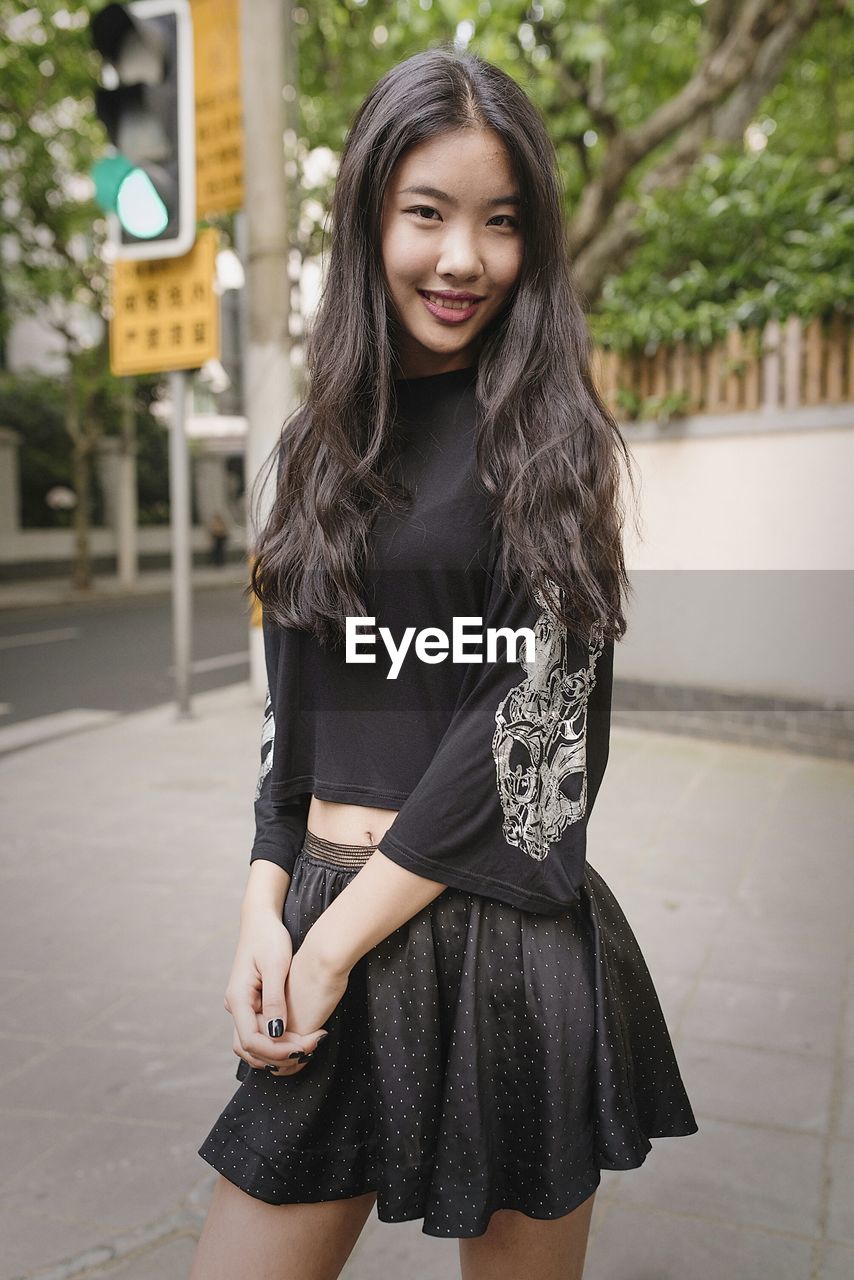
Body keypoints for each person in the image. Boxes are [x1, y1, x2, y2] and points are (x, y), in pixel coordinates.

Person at [191, 46, 698, 1280]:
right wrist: (264, 902)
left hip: (499, 939)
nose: (462, 256)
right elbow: (291, 718)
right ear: (371, 218)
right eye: (427, 213)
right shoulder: (317, 450)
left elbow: (526, 735)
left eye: (500, 222)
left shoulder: (551, 442)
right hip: (321, 900)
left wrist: (330, 943)